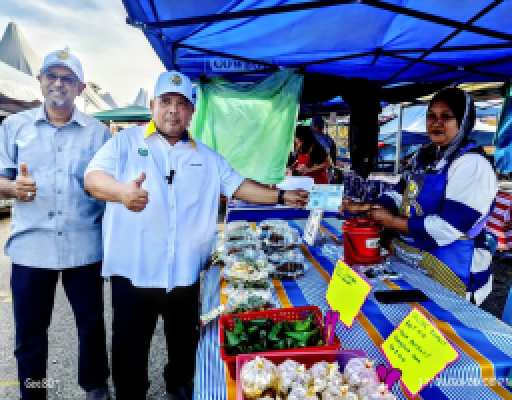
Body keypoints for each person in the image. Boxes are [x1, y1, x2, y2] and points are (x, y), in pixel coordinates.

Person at [83, 70, 309, 400]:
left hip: (185, 275)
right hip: (134, 274)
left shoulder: (206, 156)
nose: (173, 110)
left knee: (183, 348)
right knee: (129, 354)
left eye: (182, 103)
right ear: (152, 105)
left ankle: (179, 386)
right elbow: (93, 178)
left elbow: (239, 186)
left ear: (192, 112)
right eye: (166, 102)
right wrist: (120, 192)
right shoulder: (124, 143)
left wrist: (280, 197)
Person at [0, 49, 110, 400]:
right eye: (52, 76)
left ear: (81, 88)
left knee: (91, 325)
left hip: (84, 245)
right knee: (30, 334)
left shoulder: (99, 134)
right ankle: (35, 392)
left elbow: (109, 186)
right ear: (41, 81)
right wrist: (12, 187)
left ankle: (94, 386)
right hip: (31, 248)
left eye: (68, 78)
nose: (58, 83)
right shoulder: (14, 127)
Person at [342, 87, 497, 305]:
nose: (436, 122)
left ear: (463, 122)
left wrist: (392, 222)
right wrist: (370, 207)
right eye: (431, 116)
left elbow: (448, 227)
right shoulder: (424, 156)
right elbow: (400, 195)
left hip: (454, 268)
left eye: (446, 117)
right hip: (417, 261)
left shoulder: (472, 165)